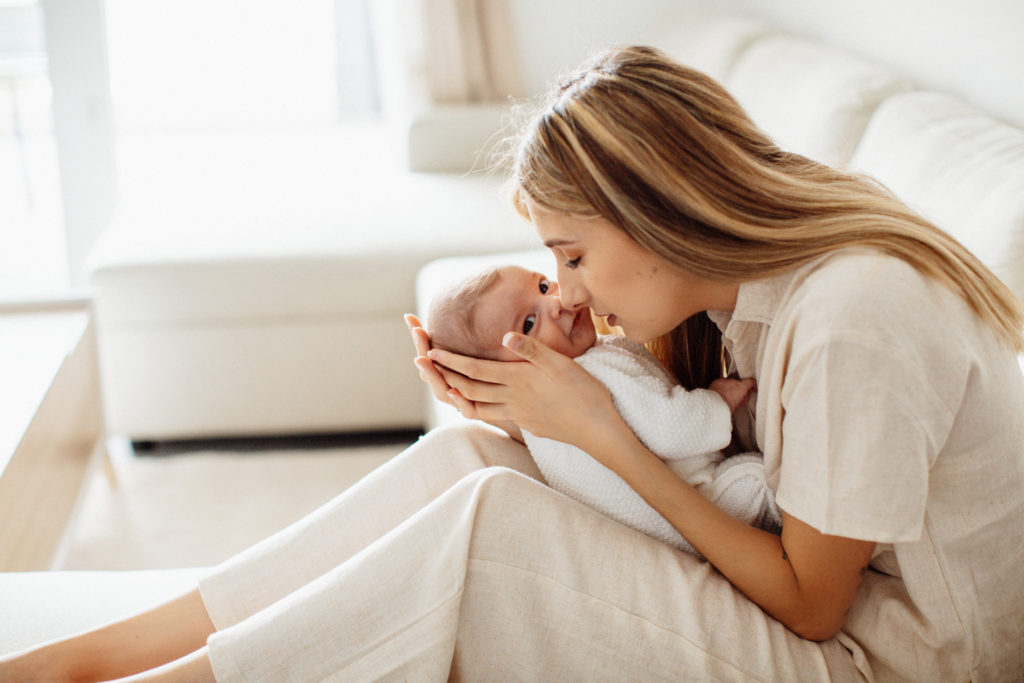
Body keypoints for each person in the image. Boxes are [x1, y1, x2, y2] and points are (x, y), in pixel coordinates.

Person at [3, 45, 1022, 681]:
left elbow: (811, 601)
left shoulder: (852, 313)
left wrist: (602, 438)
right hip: (834, 619)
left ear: (655, 210)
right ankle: (95, 658)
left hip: (886, 658)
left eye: (572, 254)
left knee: (490, 526)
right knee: (472, 466)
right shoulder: (755, 288)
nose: (568, 290)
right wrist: (526, 414)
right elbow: (717, 442)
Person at [425, 263, 781, 555]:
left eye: (544, 287)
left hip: (665, 526)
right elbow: (673, 429)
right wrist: (717, 401)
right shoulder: (595, 373)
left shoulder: (542, 410)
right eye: (529, 324)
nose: (558, 303)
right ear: (507, 373)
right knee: (763, 479)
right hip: (705, 508)